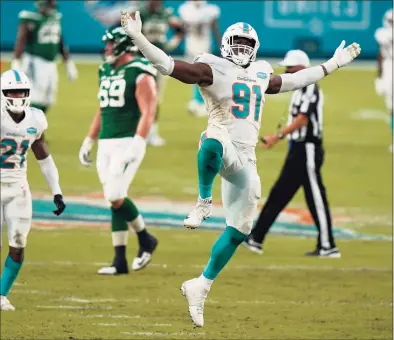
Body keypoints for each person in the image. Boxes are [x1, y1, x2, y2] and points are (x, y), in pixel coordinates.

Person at [121, 11, 361, 327]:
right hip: (223, 143)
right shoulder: (211, 66)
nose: (243, 48)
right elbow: (167, 65)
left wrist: (333, 64)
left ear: (256, 46)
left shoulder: (261, 71)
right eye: (238, 42)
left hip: (246, 160)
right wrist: (139, 38)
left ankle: (200, 286)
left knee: (240, 231)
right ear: (226, 44)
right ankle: (203, 202)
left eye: (248, 43)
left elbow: (292, 80)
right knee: (212, 139)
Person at [243, 50, 340, 258]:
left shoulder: (310, 86)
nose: (286, 71)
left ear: (302, 68)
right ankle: (256, 238)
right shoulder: (299, 88)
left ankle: (327, 245)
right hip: (298, 149)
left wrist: (277, 136)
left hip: (308, 149)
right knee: (279, 194)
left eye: (290, 68)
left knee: (316, 197)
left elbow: (303, 119)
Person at [78, 26, 158, 275]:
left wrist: (139, 141)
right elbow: (103, 108)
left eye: (110, 45)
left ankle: (146, 238)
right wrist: (89, 140)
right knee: (114, 200)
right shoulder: (104, 70)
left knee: (114, 195)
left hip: (127, 141)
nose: (106, 49)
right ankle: (120, 260)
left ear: (123, 45)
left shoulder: (140, 71)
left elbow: (149, 111)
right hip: (106, 142)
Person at [0, 69, 66, 311]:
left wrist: (56, 191)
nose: (17, 96)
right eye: (11, 92)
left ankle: (1, 294)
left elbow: (44, 157)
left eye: (21, 91)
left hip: (18, 189)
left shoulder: (35, 119)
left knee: (18, 245)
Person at [11, 0, 78, 119]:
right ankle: (30, 130)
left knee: (49, 99)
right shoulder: (30, 17)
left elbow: (60, 39)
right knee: (36, 97)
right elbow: (21, 38)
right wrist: (16, 60)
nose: (52, 8)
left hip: (51, 63)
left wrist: (68, 62)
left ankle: (35, 127)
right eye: (50, 5)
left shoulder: (56, 16)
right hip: (34, 60)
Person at [138, 0, 185, 146]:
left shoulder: (166, 13)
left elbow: (180, 30)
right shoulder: (140, 13)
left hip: (159, 59)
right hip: (141, 59)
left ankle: (152, 132)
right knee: (137, 95)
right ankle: (137, 132)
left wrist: (170, 45)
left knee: (155, 96)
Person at [178, 0, 221, 117]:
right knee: (195, 74)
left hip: (204, 45)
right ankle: (197, 101)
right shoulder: (185, 9)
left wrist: (220, 46)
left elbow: (215, 28)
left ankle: (200, 102)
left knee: (202, 74)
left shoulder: (210, 10)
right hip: (191, 45)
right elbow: (182, 29)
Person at [374, 8, 393, 152]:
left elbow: (380, 55)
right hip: (388, 69)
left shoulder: (382, 33)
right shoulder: (382, 34)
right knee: (391, 107)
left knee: (391, 108)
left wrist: (379, 75)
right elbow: (381, 54)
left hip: (388, 69)